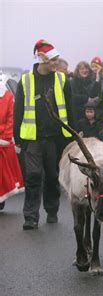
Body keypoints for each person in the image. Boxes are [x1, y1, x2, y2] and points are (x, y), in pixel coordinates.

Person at [14, 39, 74, 229]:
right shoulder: (25, 80)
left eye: (57, 59)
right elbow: (18, 110)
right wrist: (18, 138)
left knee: (51, 176)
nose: (56, 62)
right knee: (32, 175)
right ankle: (30, 217)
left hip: (55, 138)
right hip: (32, 138)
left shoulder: (62, 80)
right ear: (41, 58)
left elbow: (70, 109)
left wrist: (72, 137)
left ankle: (52, 209)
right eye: (53, 59)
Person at [0, 80, 24, 210]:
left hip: (3, 139)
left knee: (3, 173)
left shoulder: (7, 96)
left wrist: (5, 138)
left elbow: (11, 118)